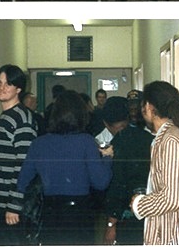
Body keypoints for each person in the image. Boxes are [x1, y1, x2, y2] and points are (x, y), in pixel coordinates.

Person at [17, 90, 112, 245]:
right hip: (80, 214)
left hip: (49, 213)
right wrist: (107, 158)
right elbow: (101, 182)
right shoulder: (86, 142)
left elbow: (22, 184)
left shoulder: (38, 144)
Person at [130, 81, 179, 245]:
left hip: (177, 235)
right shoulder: (165, 137)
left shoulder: (171, 139)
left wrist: (139, 203)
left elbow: (172, 199)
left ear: (149, 106)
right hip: (169, 230)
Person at [0, 64, 38, 245]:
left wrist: (15, 205)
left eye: (8, 84)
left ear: (19, 88)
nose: (2, 87)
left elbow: (24, 165)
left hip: (12, 206)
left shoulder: (23, 119)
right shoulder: (4, 118)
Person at [103, 92, 154, 245]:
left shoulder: (117, 144)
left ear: (106, 124)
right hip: (151, 210)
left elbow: (118, 184)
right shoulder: (149, 138)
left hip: (127, 217)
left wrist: (111, 224)